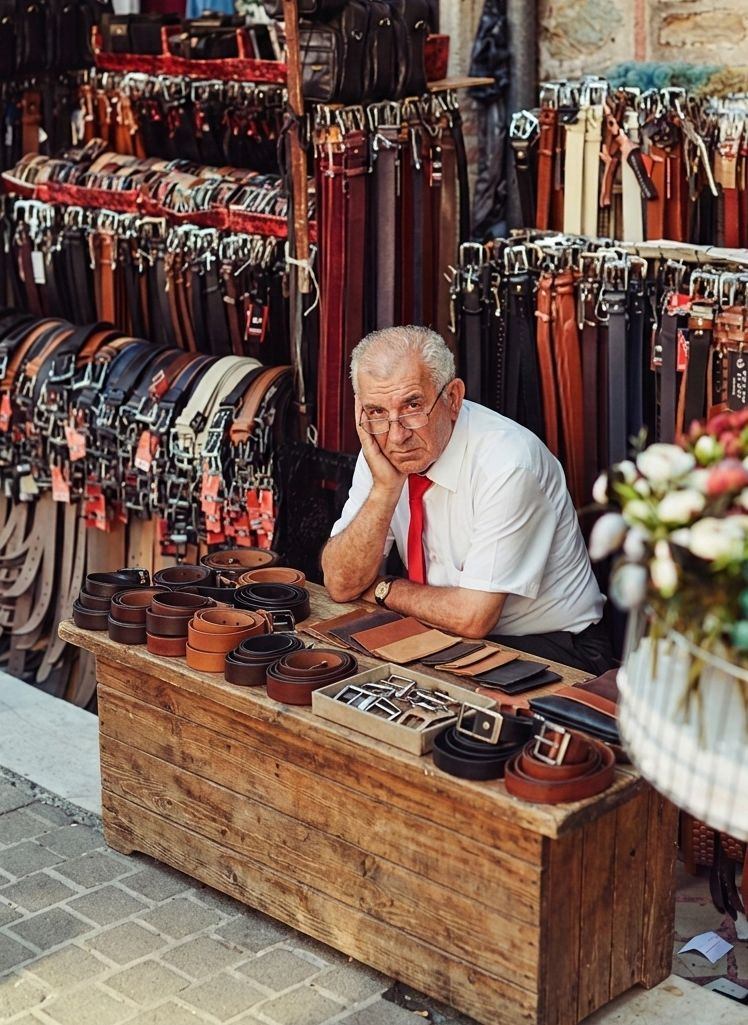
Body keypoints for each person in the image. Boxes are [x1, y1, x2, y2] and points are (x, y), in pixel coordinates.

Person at [321, 324, 613, 675]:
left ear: (453, 399)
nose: (397, 435)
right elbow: (340, 583)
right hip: (442, 633)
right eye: (377, 412)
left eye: (413, 406)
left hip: (550, 648)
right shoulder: (381, 444)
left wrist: (382, 588)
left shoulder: (508, 463)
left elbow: (472, 617)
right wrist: (384, 490)